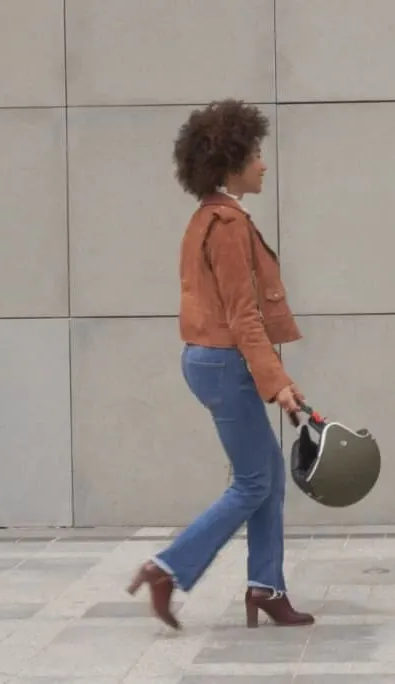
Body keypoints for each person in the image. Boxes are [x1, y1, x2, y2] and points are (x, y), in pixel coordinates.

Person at [127, 99, 314, 630]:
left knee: (269, 476)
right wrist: (276, 383)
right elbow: (243, 315)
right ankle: (167, 567)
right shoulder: (227, 224)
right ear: (231, 161)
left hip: (211, 359)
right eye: (256, 153)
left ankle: (266, 586)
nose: (264, 163)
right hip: (225, 360)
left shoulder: (205, 218)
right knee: (254, 482)